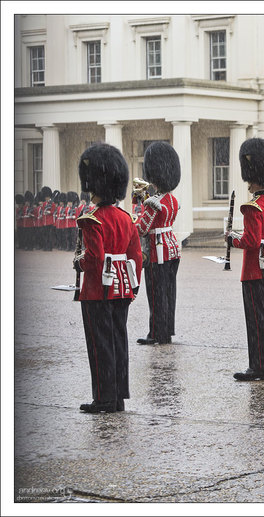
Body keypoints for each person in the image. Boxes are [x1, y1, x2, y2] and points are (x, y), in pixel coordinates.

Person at [74, 143, 142, 413]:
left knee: (100, 345)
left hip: (97, 290)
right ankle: (118, 398)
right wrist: (132, 287)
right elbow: (136, 257)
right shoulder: (126, 218)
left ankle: (103, 398)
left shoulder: (92, 219)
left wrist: (78, 262)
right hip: (121, 288)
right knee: (118, 342)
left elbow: (94, 259)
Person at [226, 138, 264, 381]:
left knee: (257, 320)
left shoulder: (253, 208)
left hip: (254, 271)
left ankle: (258, 365)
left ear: (253, 178)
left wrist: (232, 239)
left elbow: (250, 241)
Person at [136, 142, 181, 346]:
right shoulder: (172, 200)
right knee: (169, 293)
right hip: (172, 249)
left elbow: (142, 229)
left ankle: (156, 333)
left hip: (158, 251)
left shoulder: (154, 202)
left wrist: (134, 216)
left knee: (156, 294)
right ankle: (167, 330)